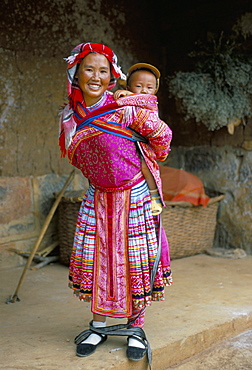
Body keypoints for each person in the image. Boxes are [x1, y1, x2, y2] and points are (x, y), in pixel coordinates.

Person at [59, 42, 172, 366]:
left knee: (134, 262)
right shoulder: (70, 117)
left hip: (133, 196)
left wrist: (140, 161)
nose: (95, 76)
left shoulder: (126, 108)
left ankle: (135, 328)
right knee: (96, 261)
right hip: (98, 196)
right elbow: (79, 158)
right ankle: (98, 326)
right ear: (76, 73)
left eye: (103, 71)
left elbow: (163, 138)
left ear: (112, 76)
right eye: (89, 69)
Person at [114, 63, 163, 216]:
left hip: (142, 144)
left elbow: (142, 101)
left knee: (144, 166)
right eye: (139, 86)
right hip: (126, 141)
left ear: (155, 90)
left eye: (149, 87)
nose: (144, 90)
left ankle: (154, 196)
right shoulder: (126, 99)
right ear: (128, 87)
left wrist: (128, 96)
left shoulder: (151, 102)